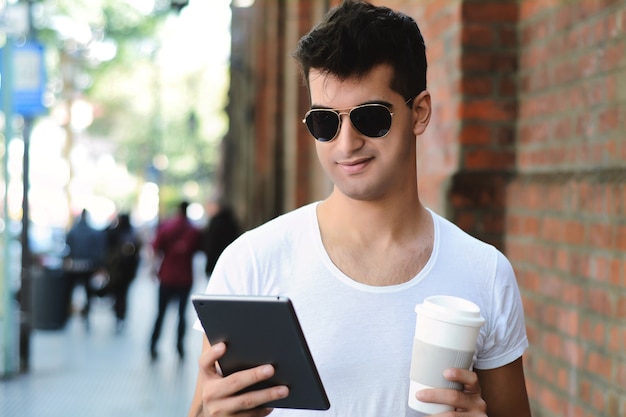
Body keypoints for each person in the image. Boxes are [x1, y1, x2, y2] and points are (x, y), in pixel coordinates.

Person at [188, 1, 531, 417]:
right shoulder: (252, 262)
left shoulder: (485, 273)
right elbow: (203, 407)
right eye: (325, 122)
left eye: (370, 118)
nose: (346, 143)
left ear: (418, 112)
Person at [150, 201, 201, 360]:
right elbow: (199, 250)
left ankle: (153, 345)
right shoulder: (193, 231)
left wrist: (153, 270)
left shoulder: (166, 227)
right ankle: (179, 347)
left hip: (167, 276)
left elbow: (155, 250)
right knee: (181, 314)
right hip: (185, 278)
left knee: (160, 313)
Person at [63, 208, 106, 323]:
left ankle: (68, 313)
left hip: (74, 266)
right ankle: (86, 314)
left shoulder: (73, 231)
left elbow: (67, 248)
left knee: (70, 291)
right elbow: (97, 251)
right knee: (87, 292)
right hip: (88, 266)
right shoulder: (92, 232)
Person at [104, 212, 142, 333]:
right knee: (122, 295)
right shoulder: (131, 234)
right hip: (125, 273)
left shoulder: (119, 233)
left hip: (119, 272)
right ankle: (120, 316)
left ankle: (119, 315)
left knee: (119, 294)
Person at [200, 201, 241, 278]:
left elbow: (211, 245)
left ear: (217, 208)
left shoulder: (216, 223)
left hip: (217, 262)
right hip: (230, 262)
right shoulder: (231, 222)